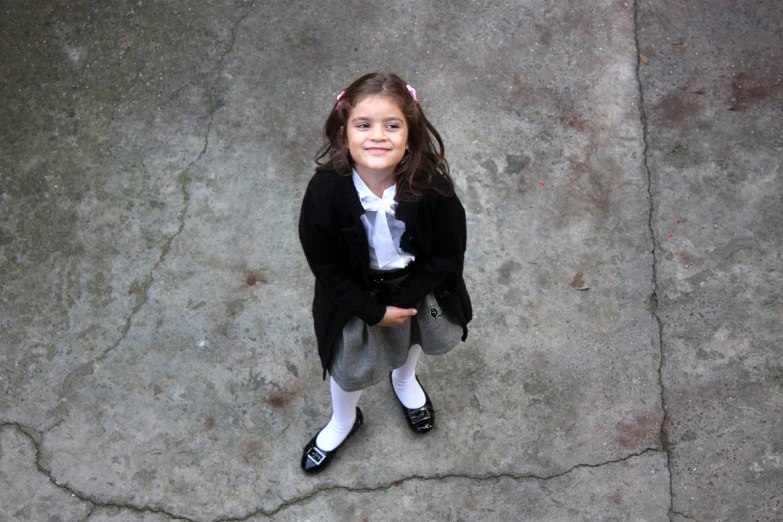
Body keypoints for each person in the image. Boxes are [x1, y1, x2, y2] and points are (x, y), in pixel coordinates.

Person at [298, 72, 472, 473]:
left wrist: (404, 298)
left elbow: (447, 252)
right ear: (344, 135)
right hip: (352, 295)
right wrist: (372, 311)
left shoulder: (432, 187)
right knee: (346, 362)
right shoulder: (324, 192)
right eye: (364, 125)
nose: (378, 136)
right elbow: (323, 263)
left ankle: (404, 380)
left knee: (410, 336)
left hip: (414, 286)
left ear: (409, 136)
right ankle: (344, 419)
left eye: (392, 125)